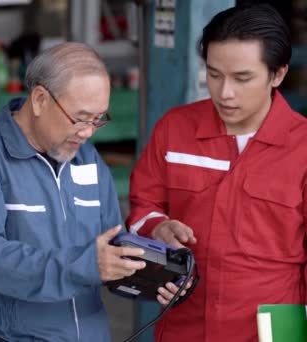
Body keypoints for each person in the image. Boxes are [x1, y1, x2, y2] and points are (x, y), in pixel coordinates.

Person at [126, 4, 307, 342]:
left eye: (242, 78)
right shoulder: (175, 129)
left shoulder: (302, 148)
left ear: (277, 74)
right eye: (214, 74)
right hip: (185, 324)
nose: (224, 92)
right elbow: (141, 206)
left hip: (271, 329)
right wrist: (158, 227)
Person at [0, 42, 149, 342]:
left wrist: (156, 273)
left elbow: (110, 245)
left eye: (98, 119)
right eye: (80, 118)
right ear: (40, 99)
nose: (88, 132)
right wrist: (81, 267)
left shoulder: (87, 158)